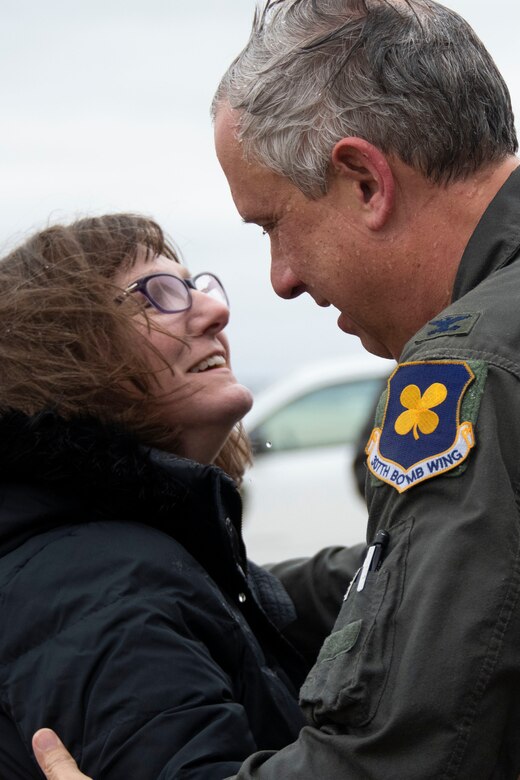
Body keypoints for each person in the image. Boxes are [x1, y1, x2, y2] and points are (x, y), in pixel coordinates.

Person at [30, 0, 520, 776]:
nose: (280, 280)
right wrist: (224, 585)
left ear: (364, 181)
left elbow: (406, 755)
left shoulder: (471, 368)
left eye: (272, 224)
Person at [0, 212, 363, 779]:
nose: (216, 311)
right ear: (65, 353)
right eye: (156, 296)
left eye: (196, 286)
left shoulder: (127, 551)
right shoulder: (96, 582)